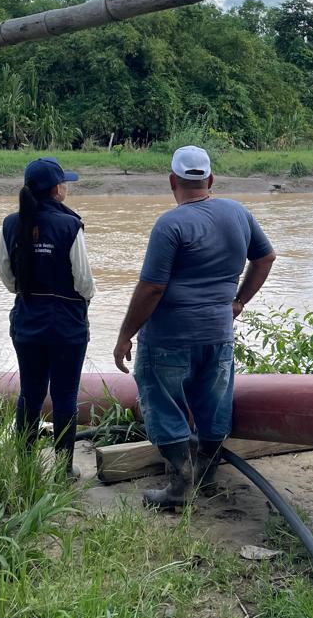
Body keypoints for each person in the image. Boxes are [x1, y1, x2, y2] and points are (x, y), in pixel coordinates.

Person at [114, 145, 277, 509]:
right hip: (218, 333)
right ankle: (206, 473)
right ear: (210, 180)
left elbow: (152, 288)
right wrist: (239, 301)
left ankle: (179, 485)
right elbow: (266, 257)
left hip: (169, 337)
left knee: (163, 403)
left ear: (172, 181)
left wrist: (125, 335)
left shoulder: (170, 224)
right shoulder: (238, 213)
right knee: (213, 405)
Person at [0, 157, 94, 478]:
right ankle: (64, 471)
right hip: (67, 325)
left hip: (26, 322)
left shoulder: (11, 223)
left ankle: (25, 466)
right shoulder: (70, 226)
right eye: (64, 182)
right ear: (56, 189)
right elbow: (84, 282)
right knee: (65, 395)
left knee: (30, 394)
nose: (66, 187)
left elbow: (7, 278)